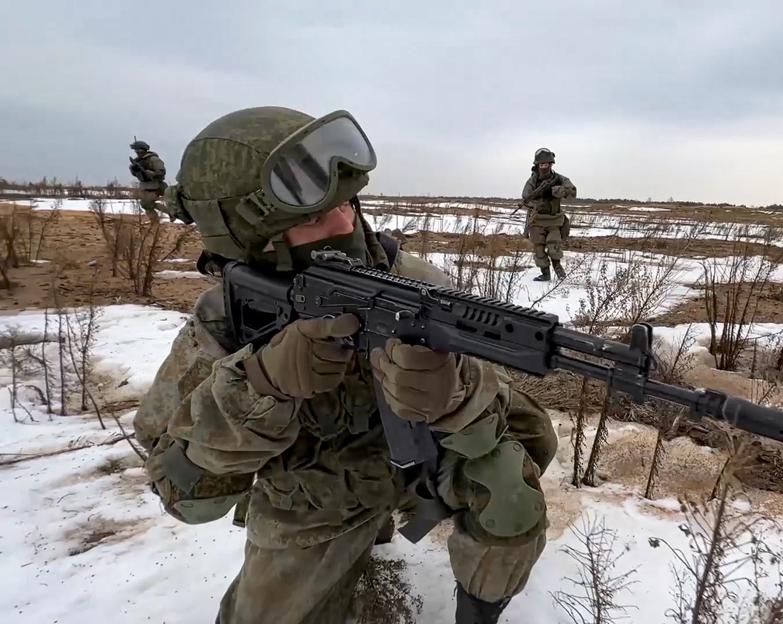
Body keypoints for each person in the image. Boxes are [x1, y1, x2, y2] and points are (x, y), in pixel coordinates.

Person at [133, 106, 557, 624]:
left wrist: (459, 393)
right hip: (311, 499)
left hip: (420, 466)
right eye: (312, 217)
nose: (345, 223)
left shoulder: (416, 282)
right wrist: (260, 385)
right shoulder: (224, 321)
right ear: (251, 241)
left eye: (349, 204)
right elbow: (185, 496)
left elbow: (532, 432)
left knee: (510, 487)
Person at [521, 148, 576, 281]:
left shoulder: (559, 179)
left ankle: (558, 269)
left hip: (554, 220)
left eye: (547, 164)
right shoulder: (532, 181)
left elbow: (572, 192)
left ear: (551, 164)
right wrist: (535, 203)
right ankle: (545, 274)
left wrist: (558, 191)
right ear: (537, 165)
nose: (544, 167)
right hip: (537, 220)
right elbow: (525, 197)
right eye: (542, 164)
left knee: (554, 246)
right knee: (539, 249)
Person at [128, 139, 167, 219]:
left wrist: (150, 173)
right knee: (145, 205)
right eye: (136, 151)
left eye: (137, 150)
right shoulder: (138, 161)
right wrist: (135, 171)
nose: (136, 152)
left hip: (156, 186)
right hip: (146, 186)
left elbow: (161, 172)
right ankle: (155, 224)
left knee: (146, 204)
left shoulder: (153, 159)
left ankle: (169, 213)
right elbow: (139, 176)